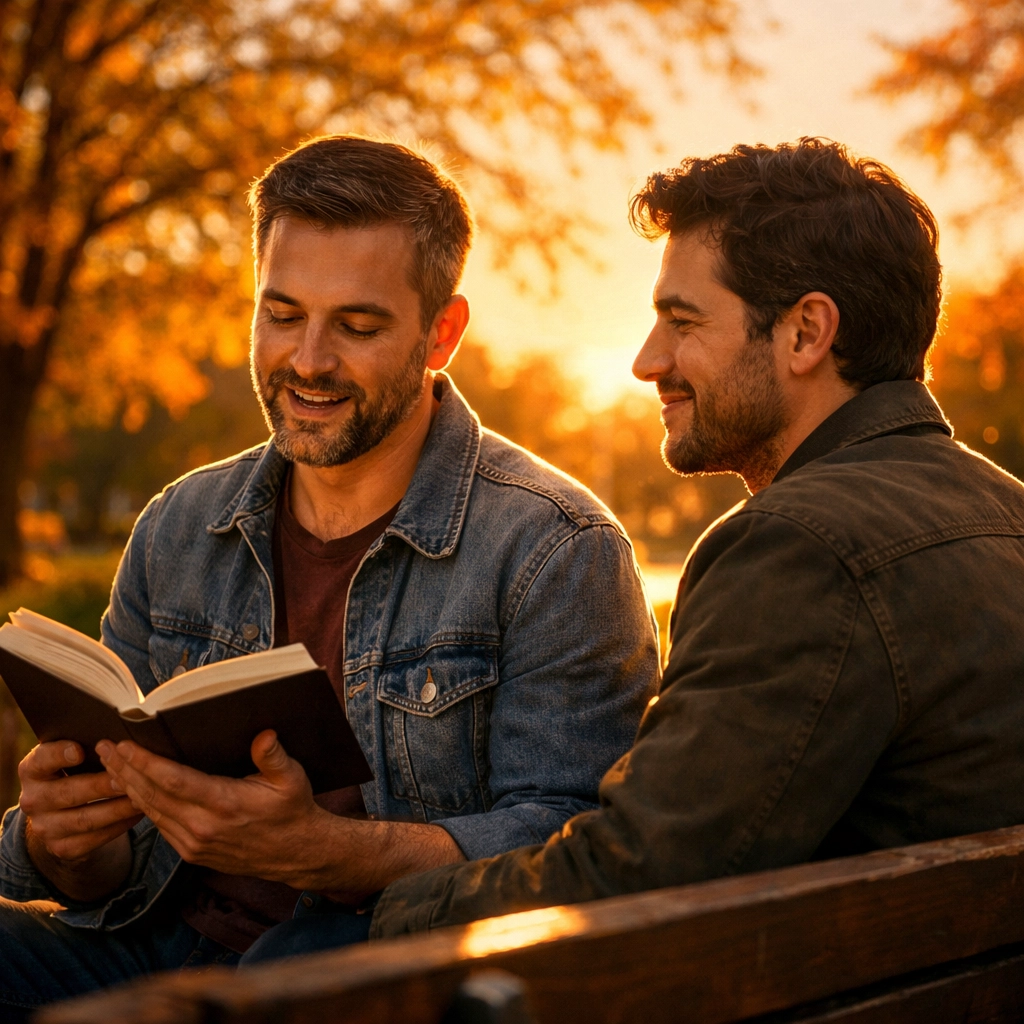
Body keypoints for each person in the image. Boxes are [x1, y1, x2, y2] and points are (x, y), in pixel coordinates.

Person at [0, 135, 658, 1016]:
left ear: (442, 334)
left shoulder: (556, 547)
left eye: (356, 326)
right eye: (281, 313)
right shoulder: (179, 526)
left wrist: (326, 852)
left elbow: (568, 848)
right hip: (147, 941)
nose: (308, 361)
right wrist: (66, 846)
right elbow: (106, 866)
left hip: (373, 972)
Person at [366, 137, 1024, 938]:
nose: (648, 362)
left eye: (683, 322)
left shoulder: (797, 548)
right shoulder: (1007, 512)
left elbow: (635, 877)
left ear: (806, 333)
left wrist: (380, 915)